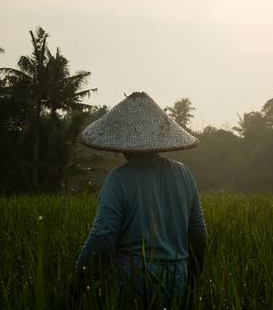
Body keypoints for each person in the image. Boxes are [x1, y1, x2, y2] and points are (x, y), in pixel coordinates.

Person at [74, 92, 208, 296]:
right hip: (177, 281)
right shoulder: (184, 174)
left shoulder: (117, 179)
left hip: (131, 282)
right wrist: (191, 281)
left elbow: (102, 238)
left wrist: (76, 286)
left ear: (121, 144)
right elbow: (199, 236)